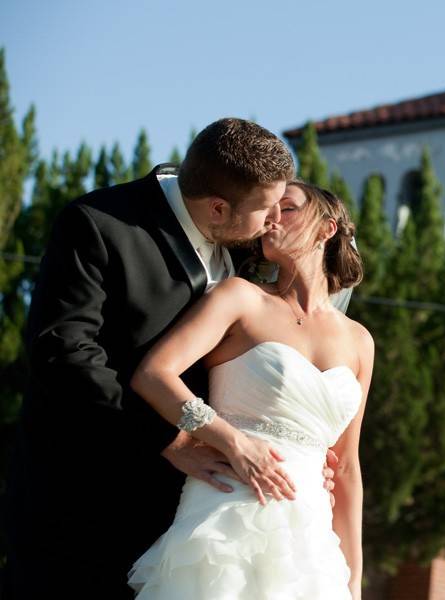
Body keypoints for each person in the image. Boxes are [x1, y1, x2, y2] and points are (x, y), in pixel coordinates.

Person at [1, 119, 343, 599]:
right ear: (218, 207)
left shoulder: (246, 251)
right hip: (84, 506)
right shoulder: (100, 224)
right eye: (267, 209)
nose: (275, 222)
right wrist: (170, 439)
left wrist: (301, 447)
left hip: (198, 523)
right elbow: (64, 353)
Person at [127, 181, 372, 599]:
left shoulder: (359, 341)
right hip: (225, 513)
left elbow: (346, 466)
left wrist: (352, 576)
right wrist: (232, 442)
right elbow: (154, 373)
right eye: (269, 208)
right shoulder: (240, 298)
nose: (272, 217)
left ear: (327, 229)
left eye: (288, 208)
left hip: (310, 544)